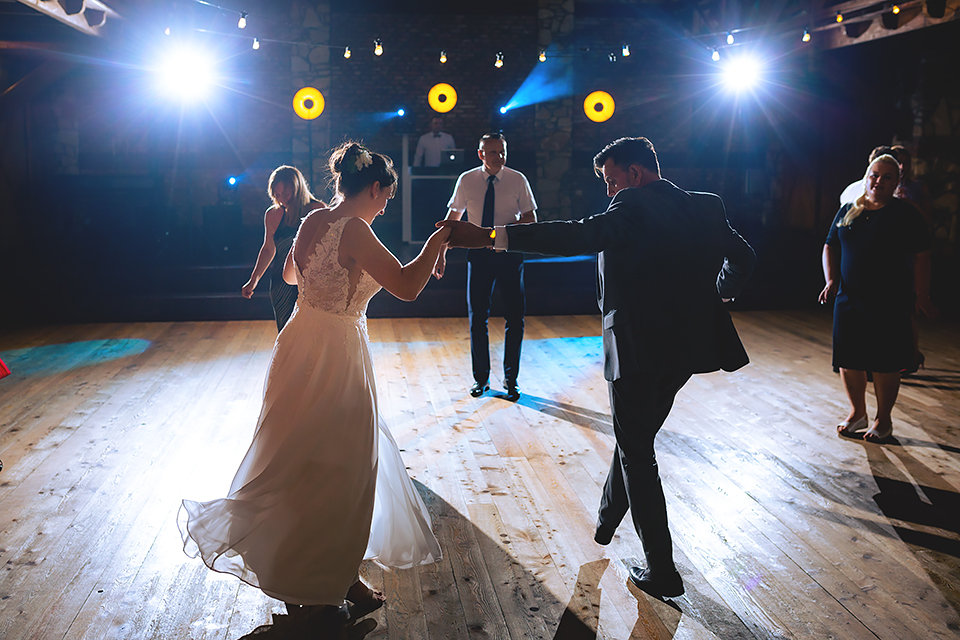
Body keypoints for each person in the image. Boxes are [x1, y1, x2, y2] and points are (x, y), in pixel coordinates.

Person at [438, 136, 755, 599]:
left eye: (611, 180)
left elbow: (576, 234)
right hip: (690, 348)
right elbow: (743, 256)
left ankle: (662, 570)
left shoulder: (632, 205)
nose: (609, 191)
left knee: (636, 452)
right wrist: (719, 293)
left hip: (638, 347)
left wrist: (491, 237)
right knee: (635, 435)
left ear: (634, 174)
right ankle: (606, 521)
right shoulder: (707, 205)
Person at [180, 143, 446, 636]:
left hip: (298, 342)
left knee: (300, 459)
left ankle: (339, 578)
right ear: (373, 188)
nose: (385, 207)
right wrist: (441, 239)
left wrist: (327, 279)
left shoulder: (313, 221)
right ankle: (312, 589)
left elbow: (289, 273)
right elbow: (408, 286)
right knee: (340, 469)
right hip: (335, 353)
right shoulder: (355, 229)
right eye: (386, 198)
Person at [819, 154, 936, 442]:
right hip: (849, 299)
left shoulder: (905, 214)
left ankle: (883, 420)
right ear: (866, 177)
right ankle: (857, 413)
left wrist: (922, 294)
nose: (878, 181)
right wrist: (831, 280)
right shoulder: (849, 209)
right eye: (874, 175)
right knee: (849, 359)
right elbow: (830, 245)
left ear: (897, 183)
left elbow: (922, 256)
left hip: (890, 300)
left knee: (885, 361)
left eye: (887, 177)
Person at [436, 132, 537, 401]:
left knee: (515, 317)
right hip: (478, 255)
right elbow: (453, 218)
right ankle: (481, 379)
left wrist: (500, 234)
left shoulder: (517, 179)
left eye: (502, 151)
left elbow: (531, 218)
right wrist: (441, 253)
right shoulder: (467, 180)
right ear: (481, 154)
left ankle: (511, 379)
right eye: (493, 152)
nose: (499, 157)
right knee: (477, 317)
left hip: (510, 254)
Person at [241, 166, 326, 331]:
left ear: (298, 189)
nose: (282, 200)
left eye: (286, 194)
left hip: (312, 281)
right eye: (277, 195)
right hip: (282, 283)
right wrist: (253, 280)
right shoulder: (273, 214)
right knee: (287, 331)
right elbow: (268, 249)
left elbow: (328, 248)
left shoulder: (317, 209)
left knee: (313, 332)